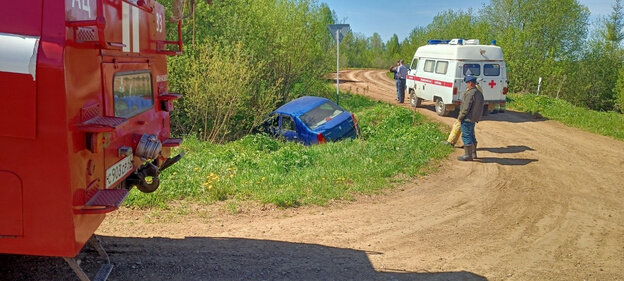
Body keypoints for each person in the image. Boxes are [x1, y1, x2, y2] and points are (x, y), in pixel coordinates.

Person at [457, 74, 484, 161]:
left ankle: (467, 155)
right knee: (472, 135)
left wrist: (460, 117)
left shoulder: (470, 93)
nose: (466, 85)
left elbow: (466, 107)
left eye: (467, 83)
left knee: (466, 136)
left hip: (467, 118)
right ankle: (473, 153)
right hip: (473, 118)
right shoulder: (479, 93)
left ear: (470, 83)